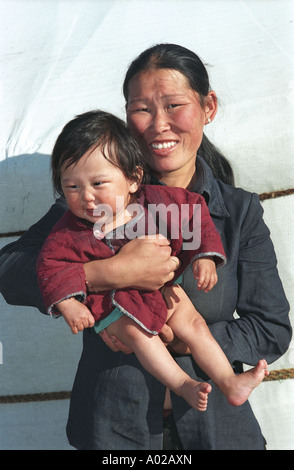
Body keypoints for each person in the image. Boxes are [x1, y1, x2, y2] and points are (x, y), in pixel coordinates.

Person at [0, 44, 291, 450]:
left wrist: (177, 336)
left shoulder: (240, 212)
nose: (158, 125)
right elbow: (10, 272)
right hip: (116, 428)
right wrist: (105, 274)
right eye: (141, 109)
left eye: (174, 105)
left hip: (219, 433)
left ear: (208, 107)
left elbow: (271, 329)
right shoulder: (93, 200)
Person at [37, 109, 268, 413]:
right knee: (141, 337)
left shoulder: (154, 202)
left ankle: (229, 380)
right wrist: (69, 304)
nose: (88, 197)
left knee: (193, 322)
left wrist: (205, 256)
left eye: (98, 183)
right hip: (115, 307)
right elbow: (48, 267)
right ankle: (182, 385)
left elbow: (193, 212)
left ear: (132, 178)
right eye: (73, 187)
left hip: (161, 291)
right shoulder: (69, 230)